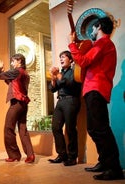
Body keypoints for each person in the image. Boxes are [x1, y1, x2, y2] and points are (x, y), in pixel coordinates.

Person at [69, 16, 124, 180]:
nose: (91, 32)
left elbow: (84, 60)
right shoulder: (100, 45)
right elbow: (86, 63)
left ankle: (114, 168)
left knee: (100, 129)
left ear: (99, 27)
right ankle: (104, 162)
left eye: (92, 29)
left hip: (96, 89)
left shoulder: (103, 43)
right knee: (94, 129)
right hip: (92, 89)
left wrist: (72, 44)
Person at [0, 53, 35, 163]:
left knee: (8, 128)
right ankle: (30, 155)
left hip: (17, 103)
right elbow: (13, 83)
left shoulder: (17, 71)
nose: (12, 63)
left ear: (19, 61)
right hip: (24, 104)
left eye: (13, 61)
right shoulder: (25, 73)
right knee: (23, 130)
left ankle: (14, 155)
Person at [48, 51, 81, 166]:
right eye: (60, 57)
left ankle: (72, 157)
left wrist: (57, 75)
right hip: (61, 101)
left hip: (71, 100)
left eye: (63, 57)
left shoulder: (74, 72)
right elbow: (52, 89)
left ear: (71, 60)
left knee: (70, 129)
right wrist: (53, 78)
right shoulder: (60, 73)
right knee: (55, 127)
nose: (61, 59)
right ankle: (62, 155)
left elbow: (67, 83)